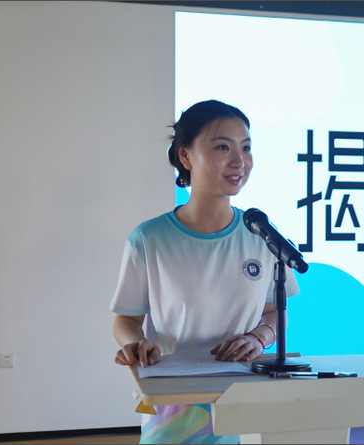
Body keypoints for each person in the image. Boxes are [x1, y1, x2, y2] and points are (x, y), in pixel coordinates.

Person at [108, 99, 299, 444]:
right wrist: (136, 344)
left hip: (245, 399)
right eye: (223, 147)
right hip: (174, 409)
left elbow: (275, 313)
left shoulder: (262, 236)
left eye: (246, 148)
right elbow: (126, 319)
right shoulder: (149, 238)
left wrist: (258, 338)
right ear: (186, 156)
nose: (239, 161)